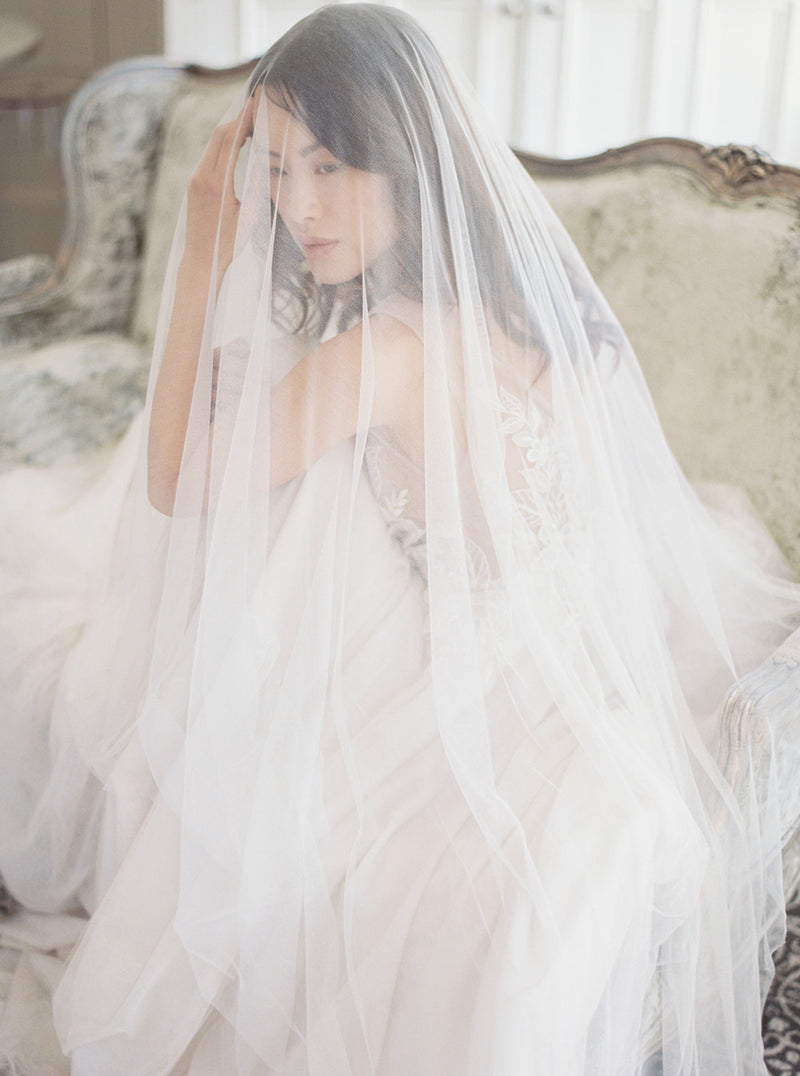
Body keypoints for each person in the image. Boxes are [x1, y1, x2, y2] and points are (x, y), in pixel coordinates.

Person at [1, 4, 799, 1073]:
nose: (296, 206)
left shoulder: (382, 351)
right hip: (572, 646)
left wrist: (200, 240)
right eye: (273, 170)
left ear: (404, 160)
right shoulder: (534, 299)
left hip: (469, 692)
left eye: (329, 166)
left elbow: (175, 485)